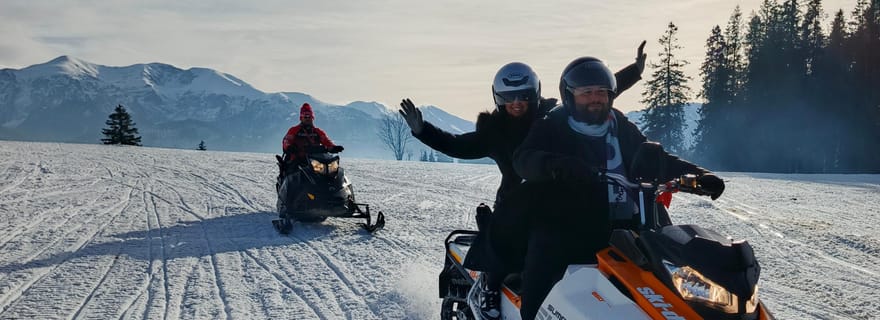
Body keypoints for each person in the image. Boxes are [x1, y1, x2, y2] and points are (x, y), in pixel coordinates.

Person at [400, 42, 647, 320]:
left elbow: (591, 93)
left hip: (559, 197)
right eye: (509, 97)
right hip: (515, 200)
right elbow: (457, 144)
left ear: (535, 94)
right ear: (498, 99)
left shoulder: (551, 118)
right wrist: (423, 131)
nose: (516, 102)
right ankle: (490, 288)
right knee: (511, 249)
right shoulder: (493, 132)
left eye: (523, 95)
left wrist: (633, 73)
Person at [511, 56, 725, 320]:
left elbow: (655, 158)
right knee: (542, 274)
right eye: (586, 93)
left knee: (670, 275)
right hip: (566, 223)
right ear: (569, 96)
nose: (595, 98)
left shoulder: (617, 124)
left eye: (601, 92)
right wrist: (556, 165)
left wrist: (698, 175)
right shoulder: (552, 124)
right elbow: (524, 159)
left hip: (627, 223)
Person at [277, 103, 344, 190]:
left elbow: (326, 141)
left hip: (316, 161)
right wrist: (289, 147)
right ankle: (290, 197)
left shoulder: (317, 131)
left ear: (312, 118)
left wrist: (333, 147)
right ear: (301, 118)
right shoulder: (294, 130)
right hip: (298, 159)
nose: (308, 119)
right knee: (293, 176)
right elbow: (287, 141)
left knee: (335, 173)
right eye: (305, 117)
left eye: (309, 117)